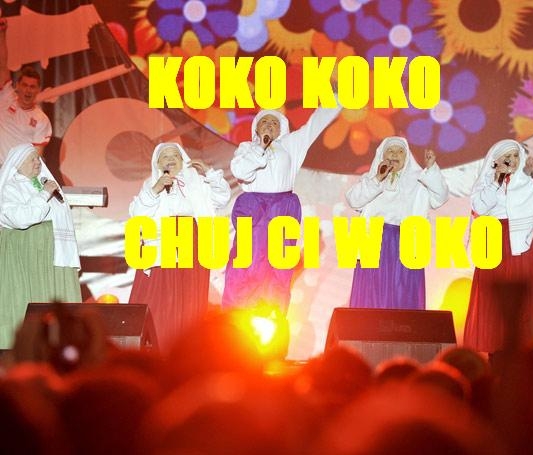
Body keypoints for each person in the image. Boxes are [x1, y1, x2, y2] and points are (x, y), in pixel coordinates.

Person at [222, 103, 341, 312]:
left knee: (278, 267)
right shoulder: (246, 148)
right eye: (264, 121)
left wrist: (338, 99)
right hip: (253, 208)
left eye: (274, 123)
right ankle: (236, 316)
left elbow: (316, 123)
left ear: (282, 129)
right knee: (246, 262)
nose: (269, 125)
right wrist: (260, 148)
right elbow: (241, 171)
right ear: (256, 128)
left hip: (282, 208)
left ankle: (272, 315)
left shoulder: (290, 145)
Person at [128, 142, 231, 351]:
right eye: (165, 156)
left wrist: (209, 173)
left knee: (189, 297)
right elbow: (137, 215)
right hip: (161, 241)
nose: (170, 159)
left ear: (183, 160)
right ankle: (158, 348)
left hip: (191, 239)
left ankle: (184, 351)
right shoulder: (151, 184)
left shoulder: (196, 181)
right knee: (160, 296)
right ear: (157, 163)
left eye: (175, 155)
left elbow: (222, 197)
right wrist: (155, 190)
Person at [463, 139, 533, 357]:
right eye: (506, 156)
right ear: (495, 160)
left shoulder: (530, 181)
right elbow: (479, 207)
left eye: (515, 156)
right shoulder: (486, 182)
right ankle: (495, 353)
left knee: (523, 296)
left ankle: (523, 351)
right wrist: (497, 180)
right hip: (492, 242)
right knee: (492, 299)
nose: (511, 160)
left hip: (523, 244)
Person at [345, 136, 449, 310]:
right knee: (372, 296)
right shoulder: (371, 179)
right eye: (390, 151)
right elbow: (354, 201)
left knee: (403, 295)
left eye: (400, 151)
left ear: (407, 157)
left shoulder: (419, 182)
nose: (395, 155)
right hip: (373, 241)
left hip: (405, 243)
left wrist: (431, 169)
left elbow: (441, 197)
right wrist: (378, 179)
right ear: (382, 155)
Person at [0, 143, 80, 349]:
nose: (38, 163)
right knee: (26, 300)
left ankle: (54, 344)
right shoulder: (10, 187)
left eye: (38, 159)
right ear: (17, 164)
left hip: (49, 255)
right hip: (24, 256)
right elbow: (21, 219)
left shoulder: (43, 184)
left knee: (50, 300)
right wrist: (44, 194)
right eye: (32, 159)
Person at [0, 18, 52, 164]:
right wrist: (2, 34)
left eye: (32, 87)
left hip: (17, 173)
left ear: (38, 90)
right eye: (25, 85)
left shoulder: (41, 119)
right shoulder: (6, 98)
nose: (28, 90)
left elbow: (36, 156)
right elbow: (2, 65)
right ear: (17, 86)